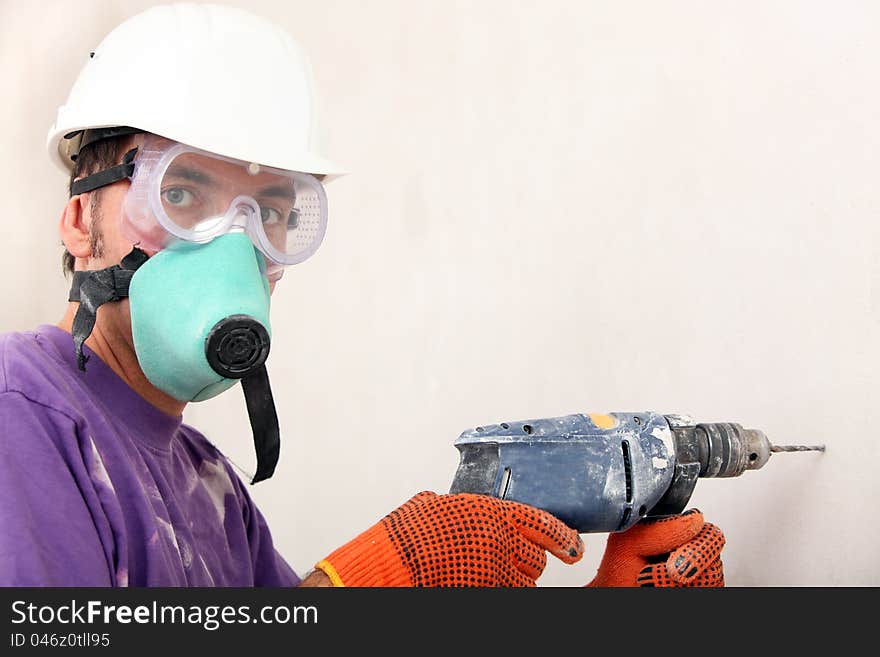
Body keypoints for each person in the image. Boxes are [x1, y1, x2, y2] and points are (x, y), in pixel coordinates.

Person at [0, 2, 725, 588]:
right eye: (183, 191)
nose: (234, 245)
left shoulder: (212, 491)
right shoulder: (20, 419)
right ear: (78, 222)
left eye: (273, 212)